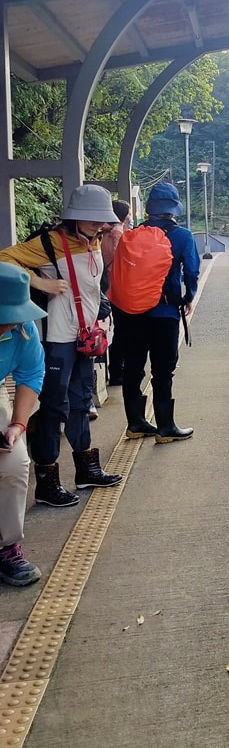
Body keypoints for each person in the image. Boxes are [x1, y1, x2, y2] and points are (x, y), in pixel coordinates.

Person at [0, 184, 122, 508]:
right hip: (58, 337)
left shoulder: (94, 241)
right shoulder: (50, 242)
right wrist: (40, 282)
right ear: (75, 218)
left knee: (82, 399)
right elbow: (4, 259)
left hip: (85, 335)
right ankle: (47, 481)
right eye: (93, 220)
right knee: (54, 406)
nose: (100, 226)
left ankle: (87, 468)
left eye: (102, 221)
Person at [117, 182, 199, 443]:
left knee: (132, 367)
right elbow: (192, 271)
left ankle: (136, 424)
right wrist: (189, 296)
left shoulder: (132, 235)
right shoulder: (182, 236)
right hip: (164, 313)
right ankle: (165, 428)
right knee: (163, 370)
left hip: (130, 313)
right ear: (173, 210)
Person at [0, 264, 46, 587]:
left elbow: (31, 375)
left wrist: (17, 425)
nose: (12, 323)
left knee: (15, 462)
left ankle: (7, 547)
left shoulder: (23, 329)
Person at [101, 199, 132, 386]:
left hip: (105, 282)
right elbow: (123, 258)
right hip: (117, 285)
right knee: (123, 331)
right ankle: (117, 371)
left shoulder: (102, 232)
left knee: (118, 329)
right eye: (128, 214)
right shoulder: (118, 233)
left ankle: (115, 369)